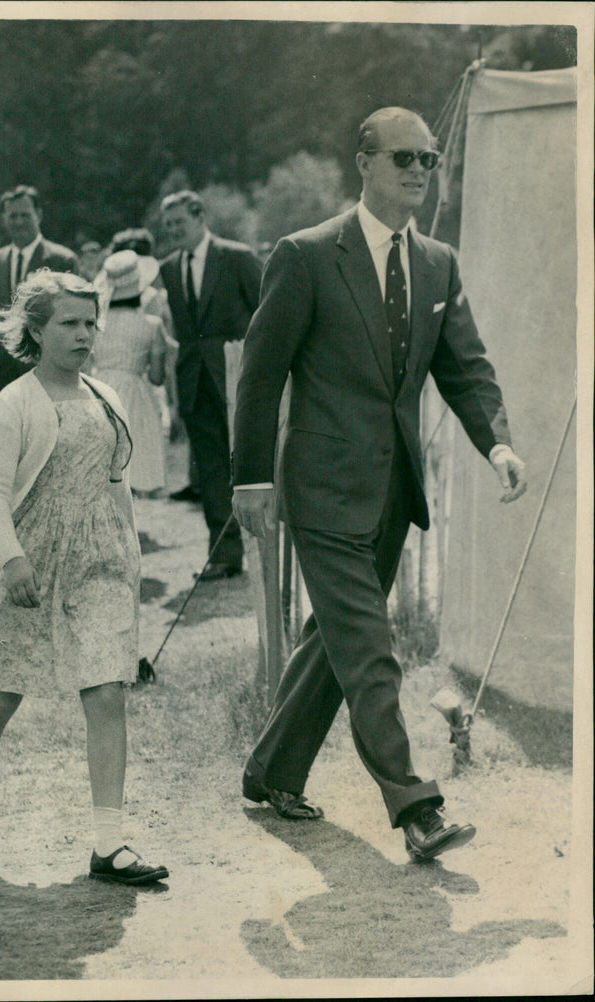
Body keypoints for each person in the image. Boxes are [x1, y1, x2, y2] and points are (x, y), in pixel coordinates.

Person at [232, 107, 528, 862]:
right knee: (370, 650)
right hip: (322, 490)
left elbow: (465, 368)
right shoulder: (305, 255)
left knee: (335, 644)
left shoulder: (437, 263)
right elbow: (260, 376)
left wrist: (496, 443)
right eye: (404, 157)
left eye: (429, 159)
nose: (419, 171)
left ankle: (270, 770)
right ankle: (416, 806)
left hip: (394, 494)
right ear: (363, 162)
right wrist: (252, 478)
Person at [0, 270, 169, 886]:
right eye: (68, 323)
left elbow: (117, 484)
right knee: (6, 687)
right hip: (31, 560)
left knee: (106, 691)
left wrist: (130, 555)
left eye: (90, 323)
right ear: (37, 331)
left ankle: (109, 843)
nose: (84, 334)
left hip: (97, 561)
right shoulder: (15, 401)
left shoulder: (106, 396)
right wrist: (13, 559)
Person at [160, 190, 261, 578]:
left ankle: (266, 553)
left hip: (239, 379)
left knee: (253, 466)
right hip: (195, 382)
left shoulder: (237, 257)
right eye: (168, 225)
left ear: (200, 216)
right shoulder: (169, 268)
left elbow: (266, 311)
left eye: (180, 222)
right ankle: (223, 554)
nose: (173, 230)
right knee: (212, 470)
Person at [0, 185, 79, 401]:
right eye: (13, 216)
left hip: (50, 379)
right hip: (4, 381)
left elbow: (74, 323)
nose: (19, 222)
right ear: (4, 218)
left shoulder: (62, 260)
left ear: (38, 214)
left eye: (25, 215)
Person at [94, 250, 168, 496]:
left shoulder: (96, 324)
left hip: (98, 389)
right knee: (133, 465)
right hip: (134, 394)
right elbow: (157, 377)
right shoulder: (151, 325)